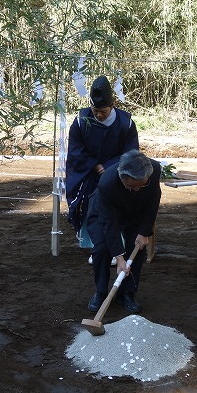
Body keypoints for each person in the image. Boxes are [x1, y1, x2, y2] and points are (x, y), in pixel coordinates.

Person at [65, 75, 139, 262]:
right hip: (89, 174)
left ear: (112, 105)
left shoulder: (125, 123)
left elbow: (131, 151)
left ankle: (117, 250)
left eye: (103, 111)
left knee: (115, 209)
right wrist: (95, 166)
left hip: (116, 174)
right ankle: (96, 248)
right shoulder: (81, 120)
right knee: (91, 208)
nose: (98, 115)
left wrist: (109, 167)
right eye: (95, 110)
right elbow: (75, 150)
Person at [85, 149, 161, 314]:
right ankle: (101, 292)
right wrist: (119, 258)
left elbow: (154, 200)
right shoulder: (107, 182)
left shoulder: (154, 170)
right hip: (105, 213)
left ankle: (127, 293)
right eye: (132, 186)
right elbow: (109, 223)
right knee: (102, 248)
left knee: (137, 246)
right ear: (122, 178)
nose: (137, 190)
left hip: (136, 211)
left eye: (142, 185)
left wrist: (144, 231)